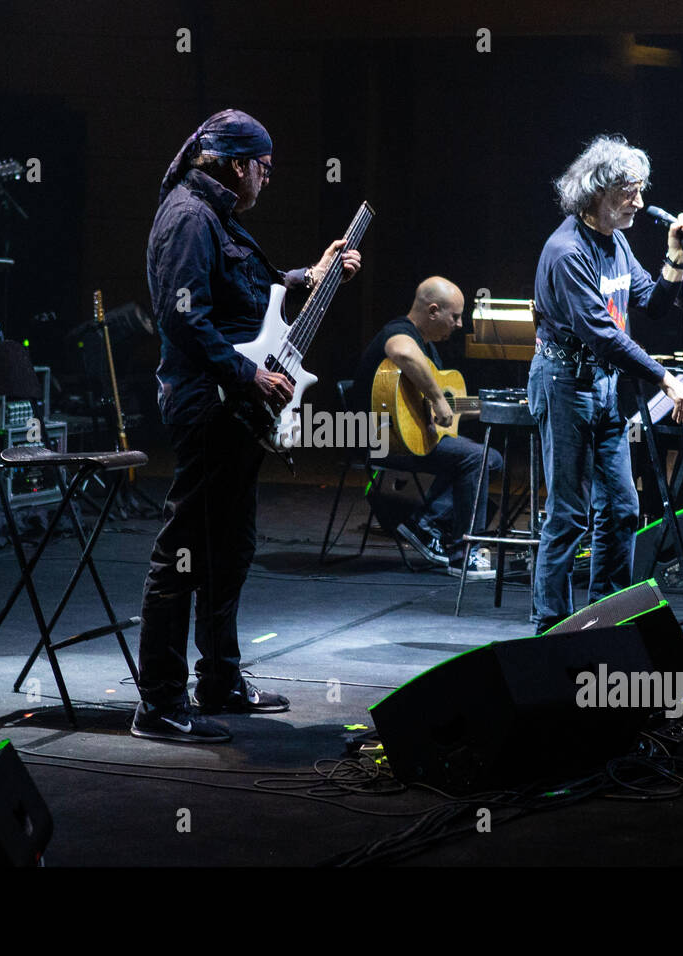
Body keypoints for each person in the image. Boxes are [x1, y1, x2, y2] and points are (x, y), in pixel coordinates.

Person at [134, 109, 361, 743]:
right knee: (183, 553)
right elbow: (185, 320)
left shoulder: (215, 215)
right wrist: (247, 375)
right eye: (264, 167)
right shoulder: (188, 217)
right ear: (238, 165)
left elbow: (242, 291)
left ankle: (220, 679)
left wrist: (305, 278)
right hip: (208, 402)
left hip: (230, 405)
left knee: (229, 548)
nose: (268, 179)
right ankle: (157, 702)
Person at [528, 134, 683, 633]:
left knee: (622, 508)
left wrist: (674, 257)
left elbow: (651, 303)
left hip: (602, 386)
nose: (641, 203)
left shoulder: (617, 241)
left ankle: (603, 622)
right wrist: (665, 380)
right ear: (599, 191)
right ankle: (551, 628)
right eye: (632, 192)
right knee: (568, 514)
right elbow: (603, 335)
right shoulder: (566, 252)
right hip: (563, 382)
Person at [351, 277, 503, 578]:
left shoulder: (429, 348)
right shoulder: (400, 331)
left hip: (406, 438)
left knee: (491, 458)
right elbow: (402, 352)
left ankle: (425, 523)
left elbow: (449, 407)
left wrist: (496, 408)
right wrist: (437, 398)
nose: (459, 324)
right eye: (455, 316)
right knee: (477, 457)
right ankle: (461, 552)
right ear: (433, 311)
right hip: (382, 440)